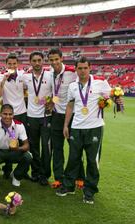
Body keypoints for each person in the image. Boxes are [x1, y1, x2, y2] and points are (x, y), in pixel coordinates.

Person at [56, 57, 123, 204]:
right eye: (79, 68)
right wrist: (66, 125)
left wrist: (117, 99)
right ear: (76, 69)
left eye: (85, 68)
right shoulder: (73, 86)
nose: (82, 71)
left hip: (94, 128)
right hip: (76, 127)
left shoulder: (100, 82)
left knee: (93, 161)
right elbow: (70, 106)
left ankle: (89, 191)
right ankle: (69, 186)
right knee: (73, 158)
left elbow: (113, 95)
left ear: (90, 68)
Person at [47, 48, 85, 188]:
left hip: (73, 116)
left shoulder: (72, 71)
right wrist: (52, 102)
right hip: (56, 116)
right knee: (57, 149)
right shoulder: (50, 74)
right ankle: (59, 177)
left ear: (62, 58)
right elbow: (57, 93)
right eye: (51, 60)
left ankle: (80, 176)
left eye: (56, 59)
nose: (54, 62)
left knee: (75, 148)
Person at [19, 51, 52, 186]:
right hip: (31, 116)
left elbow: (58, 94)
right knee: (33, 147)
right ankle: (35, 172)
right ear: (30, 62)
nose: (37, 63)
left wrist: (52, 102)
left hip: (46, 116)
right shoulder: (26, 77)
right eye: (34, 61)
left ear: (43, 61)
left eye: (39, 60)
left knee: (46, 147)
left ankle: (44, 174)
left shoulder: (50, 75)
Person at [0, 104, 32, 185]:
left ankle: (16, 176)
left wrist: (17, 149)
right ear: (0, 114)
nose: (7, 117)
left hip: (14, 152)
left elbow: (27, 145)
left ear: (13, 115)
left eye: (10, 114)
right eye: (5, 114)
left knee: (28, 157)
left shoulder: (19, 125)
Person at [0, 53, 27, 125]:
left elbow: (26, 89)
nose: (12, 66)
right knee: (9, 135)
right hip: (8, 114)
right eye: (9, 64)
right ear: (6, 64)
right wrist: (3, 81)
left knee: (23, 135)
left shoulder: (22, 76)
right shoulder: (0, 77)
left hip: (22, 112)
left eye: (14, 63)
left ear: (17, 64)